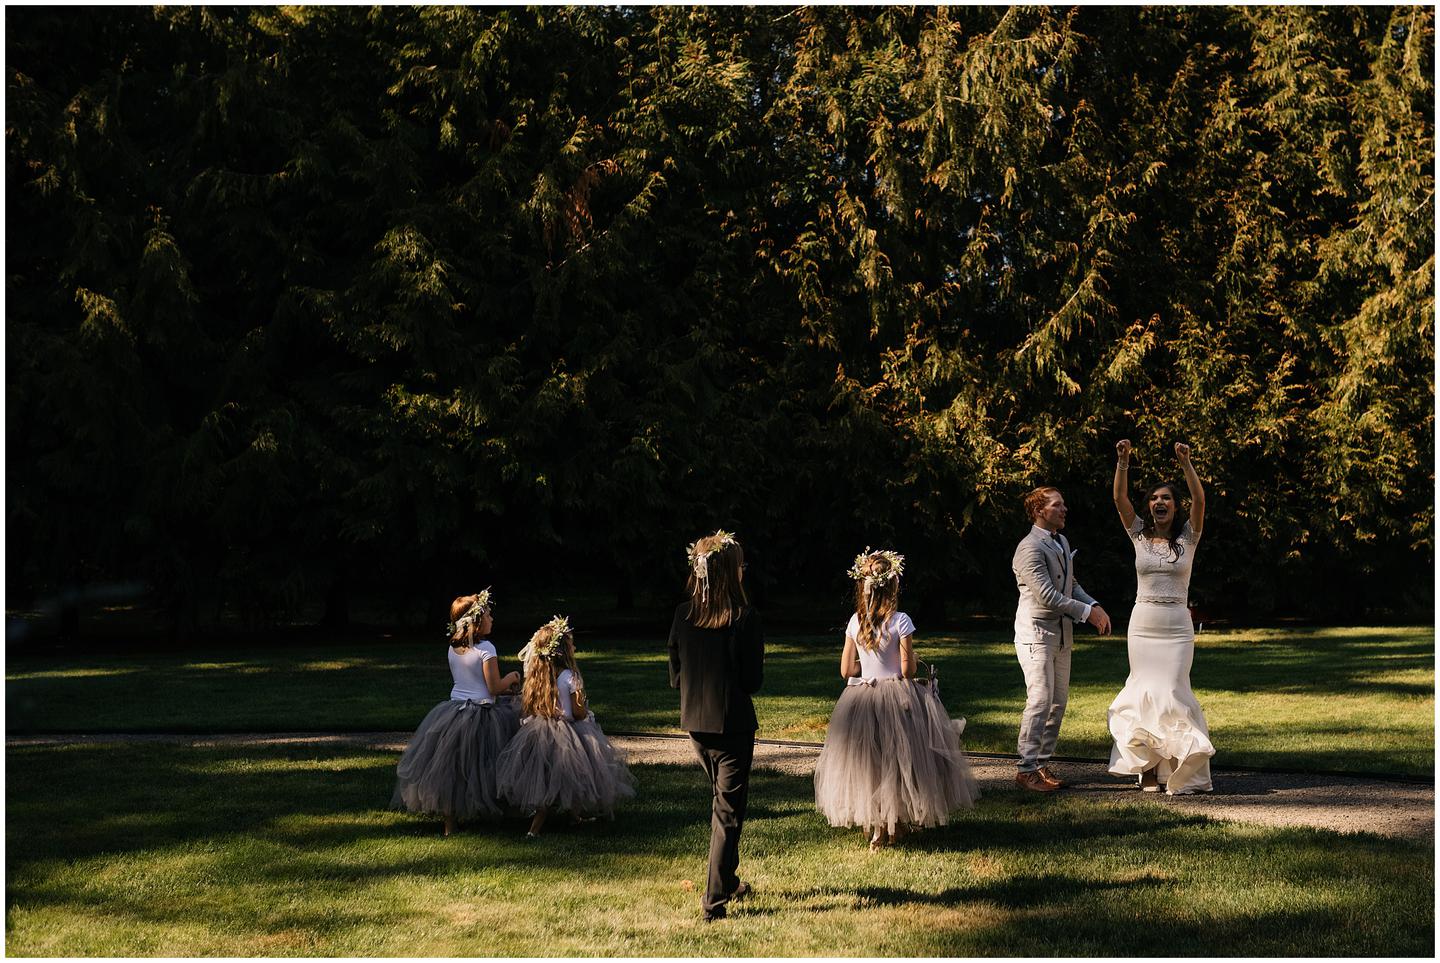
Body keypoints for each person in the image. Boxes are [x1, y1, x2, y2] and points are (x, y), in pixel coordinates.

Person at [813, 549, 978, 850]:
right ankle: (895, 824)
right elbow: (907, 670)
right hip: (897, 697)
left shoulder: (855, 622)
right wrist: (910, 658)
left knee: (871, 762)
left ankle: (880, 828)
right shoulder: (901, 621)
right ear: (893, 587)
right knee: (901, 761)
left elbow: (846, 670)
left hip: (861, 697)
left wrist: (868, 665)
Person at [667, 530, 765, 922]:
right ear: (729, 570)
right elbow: (752, 680)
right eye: (741, 565)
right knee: (727, 812)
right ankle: (713, 903)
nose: (744, 571)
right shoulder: (744, 618)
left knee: (724, 804)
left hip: (695, 722)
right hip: (733, 726)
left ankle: (729, 880)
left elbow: (675, 669)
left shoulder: (683, 614)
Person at [1107, 440, 1214, 794]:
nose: (1159, 503)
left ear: (1175, 505)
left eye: (1166, 498)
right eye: (1154, 499)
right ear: (1149, 507)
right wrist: (1123, 460)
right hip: (1143, 625)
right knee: (1144, 692)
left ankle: (1179, 767)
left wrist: (1186, 462)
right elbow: (1119, 500)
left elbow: (1200, 500)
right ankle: (1149, 772)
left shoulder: (1189, 537)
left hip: (1177, 629)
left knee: (1171, 691)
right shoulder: (1138, 534)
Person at [392, 590, 521, 835]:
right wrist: (512, 677)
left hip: (455, 711)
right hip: (483, 714)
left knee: (453, 769)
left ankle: (450, 824)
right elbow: (493, 687)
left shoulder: (453, 647)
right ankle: (493, 809)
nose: (492, 619)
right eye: (488, 615)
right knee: (486, 764)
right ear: (476, 621)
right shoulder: (487, 649)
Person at [495, 615, 635, 836]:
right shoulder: (571, 676)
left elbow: (530, 706)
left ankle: (573, 816)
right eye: (571, 643)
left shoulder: (536, 676)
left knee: (545, 775)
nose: (575, 646)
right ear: (562, 650)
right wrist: (585, 712)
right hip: (566, 733)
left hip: (538, 729)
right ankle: (534, 830)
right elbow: (578, 712)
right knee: (564, 777)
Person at [1012, 487, 1112, 792]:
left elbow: (1070, 585)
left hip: (1061, 637)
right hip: (1036, 635)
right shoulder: (1029, 548)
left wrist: (1093, 605)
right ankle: (1025, 769)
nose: (1064, 509)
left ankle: (1040, 765)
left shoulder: (1061, 541)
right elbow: (1048, 596)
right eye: (1058, 505)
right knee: (1040, 700)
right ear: (1040, 511)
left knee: (1058, 703)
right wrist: (1087, 614)